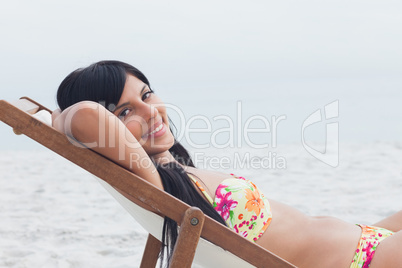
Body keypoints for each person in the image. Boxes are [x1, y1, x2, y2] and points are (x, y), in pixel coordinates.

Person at [52, 60, 402, 268]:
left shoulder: (175, 173)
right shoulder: (150, 182)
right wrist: (58, 117)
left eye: (147, 94)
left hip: (368, 240)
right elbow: (83, 116)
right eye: (124, 112)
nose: (151, 111)